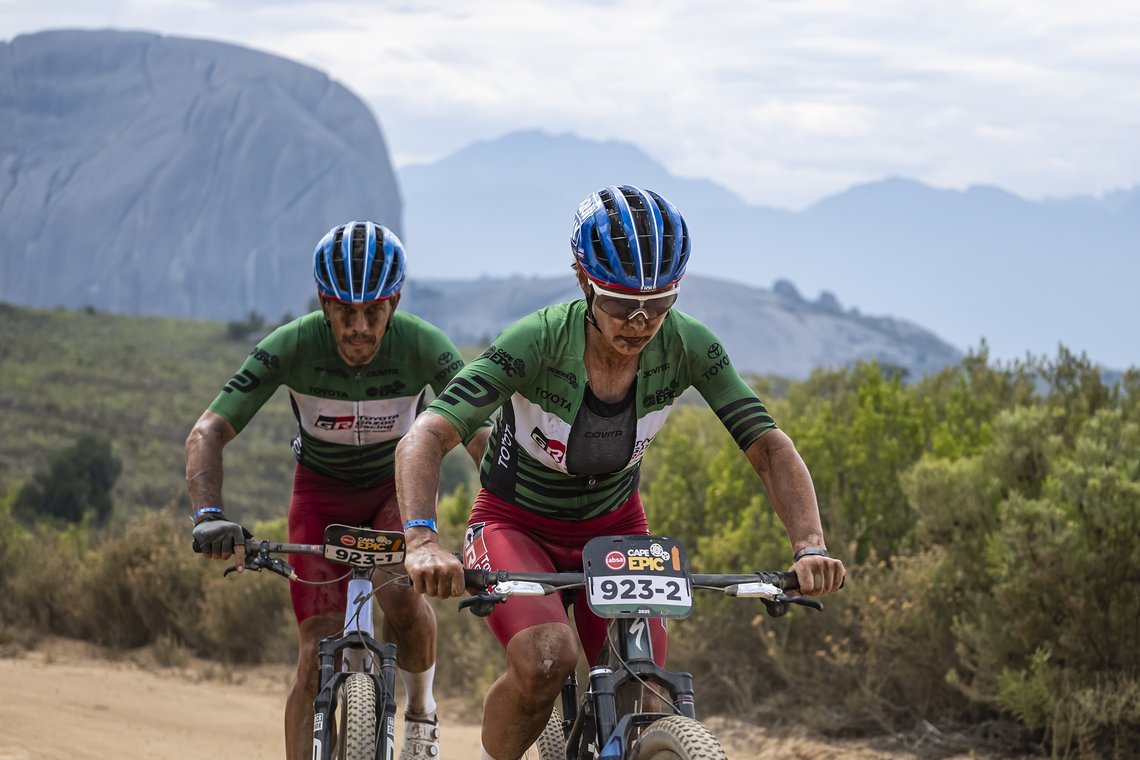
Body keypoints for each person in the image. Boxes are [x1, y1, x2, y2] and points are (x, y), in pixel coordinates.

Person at [394, 185, 847, 760]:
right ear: (584, 282)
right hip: (514, 524)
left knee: (646, 691)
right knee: (546, 663)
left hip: (615, 528)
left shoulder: (688, 345)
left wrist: (809, 546)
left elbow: (768, 446)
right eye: (619, 303)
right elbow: (427, 435)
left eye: (658, 304)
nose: (639, 321)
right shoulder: (535, 340)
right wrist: (422, 539)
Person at [186, 221, 488, 760]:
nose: (359, 328)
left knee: (400, 592)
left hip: (394, 493)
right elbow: (208, 431)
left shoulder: (423, 344)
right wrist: (207, 514)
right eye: (345, 312)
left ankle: (421, 709)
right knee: (313, 651)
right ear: (324, 304)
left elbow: (483, 438)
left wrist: (497, 529)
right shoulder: (293, 344)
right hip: (320, 496)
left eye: (374, 311)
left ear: (394, 303)